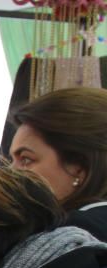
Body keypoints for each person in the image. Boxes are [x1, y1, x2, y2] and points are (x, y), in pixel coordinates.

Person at [10, 87, 107, 241]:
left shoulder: (73, 235)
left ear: (78, 167)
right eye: (12, 160)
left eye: (26, 159)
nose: (10, 172)